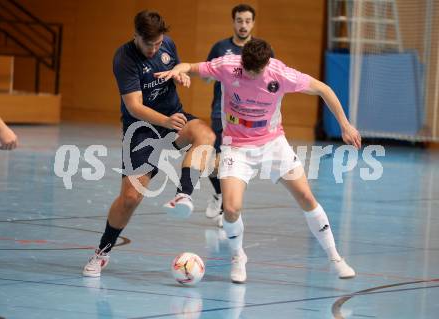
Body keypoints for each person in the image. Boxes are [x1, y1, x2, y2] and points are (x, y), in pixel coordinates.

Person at [155, 38, 361, 283]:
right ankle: (238, 256)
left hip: (273, 145)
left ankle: (335, 258)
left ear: (266, 64)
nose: (251, 74)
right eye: (248, 68)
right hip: (236, 147)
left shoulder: (280, 73)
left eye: (257, 70)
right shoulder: (228, 65)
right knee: (230, 208)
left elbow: (323, 89)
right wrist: (179, 68)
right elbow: (191, 66)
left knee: (306, 197)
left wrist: (345, 125)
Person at [82, 10, 215, 277]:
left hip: (172, 116)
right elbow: (134, 106)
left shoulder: (166, 44)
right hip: (142, 128)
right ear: (136, 37)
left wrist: (180, 75)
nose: (155, 49)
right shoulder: (124, 58)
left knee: (206, 136)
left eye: (158, 43)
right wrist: (165, 122)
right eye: (149, 44)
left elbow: (173, 69)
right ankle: (102, 251)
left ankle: (182, 195)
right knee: (130, 198)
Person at [204, 4, 270, 227]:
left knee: (230, 162)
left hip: (249, 119)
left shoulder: (260, 51)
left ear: (253, 23)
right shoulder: (220, 48)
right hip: (220, 112)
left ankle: (227, 207)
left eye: (247, 21)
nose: (243, 25)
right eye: (239, 20)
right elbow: (205, 74)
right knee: (211, 163)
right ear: (233, 22)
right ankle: (220, 195)